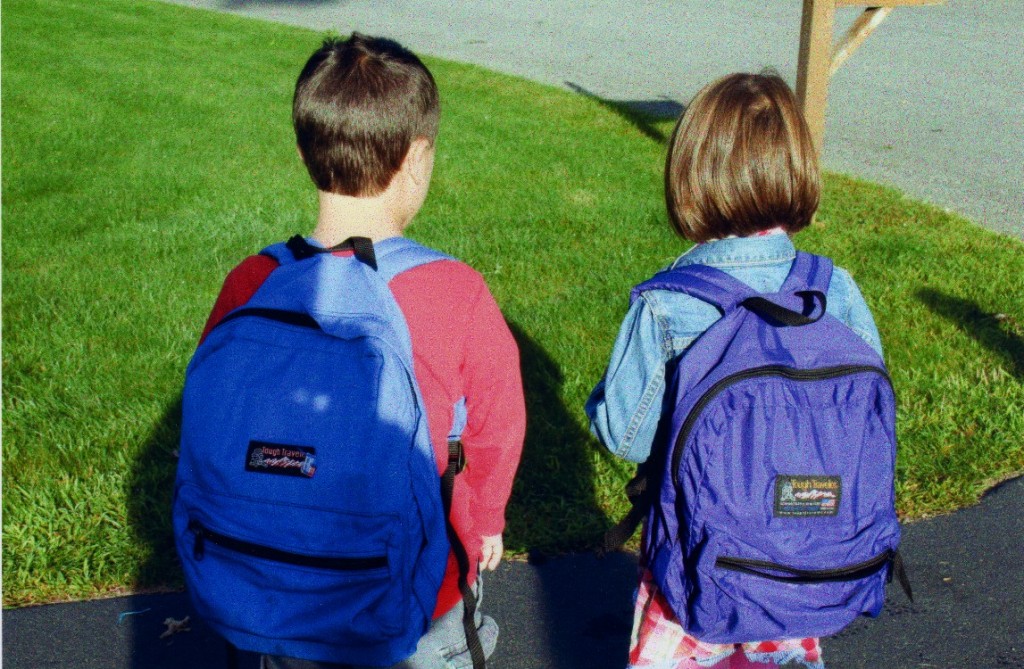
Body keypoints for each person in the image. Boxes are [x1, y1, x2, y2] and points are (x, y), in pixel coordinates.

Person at [197, 34, 526, 669]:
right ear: (419, 160)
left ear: (303, 152)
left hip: (269, 585)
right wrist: (485, 521)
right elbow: (496, 426)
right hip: (411, 592)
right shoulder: (454, 290)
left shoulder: (251, 280)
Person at [585, 72, 885, 669]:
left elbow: (625, 434)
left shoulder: (668, 301)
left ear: (690, 178)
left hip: (698, 567)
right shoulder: (834, 289)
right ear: (798, 168)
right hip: (802, 565)